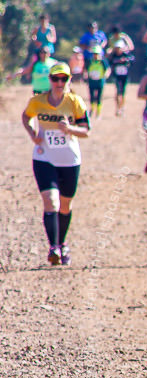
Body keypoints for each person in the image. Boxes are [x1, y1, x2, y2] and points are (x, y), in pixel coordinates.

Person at [21, 62, 91, 266]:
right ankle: (53, 247)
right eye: (55, 78)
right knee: (51, 202)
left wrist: (70, 129)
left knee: (65, 205)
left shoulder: (75, 102)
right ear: (50, 80)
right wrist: (32, 133)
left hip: (69, 159)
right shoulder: (38, 101)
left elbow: (86, 130)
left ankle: (62, 243)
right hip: (44, 157)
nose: (59, 83)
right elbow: (26, 117)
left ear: (69, 80)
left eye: (64, 79)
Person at [108, 42, 135, 117]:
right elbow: (110, 62)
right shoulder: (113, 55)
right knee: (117, 92)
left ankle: (122, 107)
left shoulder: (126, 55)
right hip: (117, 76)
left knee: (123, 93)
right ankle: (117, 107)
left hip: (125, 76)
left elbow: (132, 60)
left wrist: (125, 60)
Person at [85, 46, 110, 119]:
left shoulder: (103, 61)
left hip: (100, 81)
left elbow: (107, 69)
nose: (95, 55)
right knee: (92, 96)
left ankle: (98, 113)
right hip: (92, 80)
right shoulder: (90, 61)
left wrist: (106, 75)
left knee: (99, 97)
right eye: (94, 54)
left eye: (97, 54)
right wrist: (86, 74)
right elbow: (86, 69)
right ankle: (92, 109)